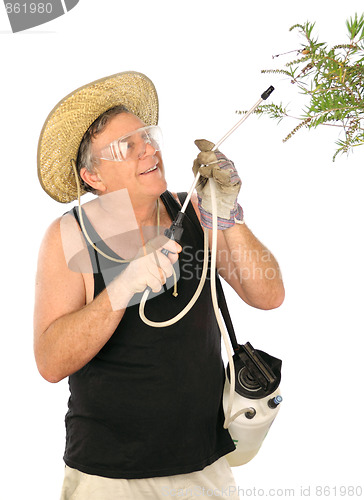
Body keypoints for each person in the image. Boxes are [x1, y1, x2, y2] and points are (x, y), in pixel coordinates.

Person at [34, 71, 285, 500]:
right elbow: (50, 362)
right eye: (125, 146)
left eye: (146, 136)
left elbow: (268, 294)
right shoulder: (70, 236)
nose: (148, 150)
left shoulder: (194, 210)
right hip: (107, 476)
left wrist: (228, 217)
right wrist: (120, 289)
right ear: (92, 177)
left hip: (205, 466)